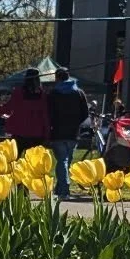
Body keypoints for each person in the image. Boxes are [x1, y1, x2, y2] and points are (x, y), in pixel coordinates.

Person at [47, 66, 90, 200]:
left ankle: (63, 190)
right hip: (73, 132)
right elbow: (85, 114)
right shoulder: (79, 93)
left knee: (62, 160)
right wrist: (76, 123)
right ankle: (60, 188)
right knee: (67, 160)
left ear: (57, 78)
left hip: (58, 131)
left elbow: (48, 113)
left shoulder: (53, 93)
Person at [0, 69, 52, 147]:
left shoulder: (18, 93)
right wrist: (47, 135)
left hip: (20, 133)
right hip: (37, 134)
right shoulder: (42, 96)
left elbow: (8, 108)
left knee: (15, 158)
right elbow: (45, 117)